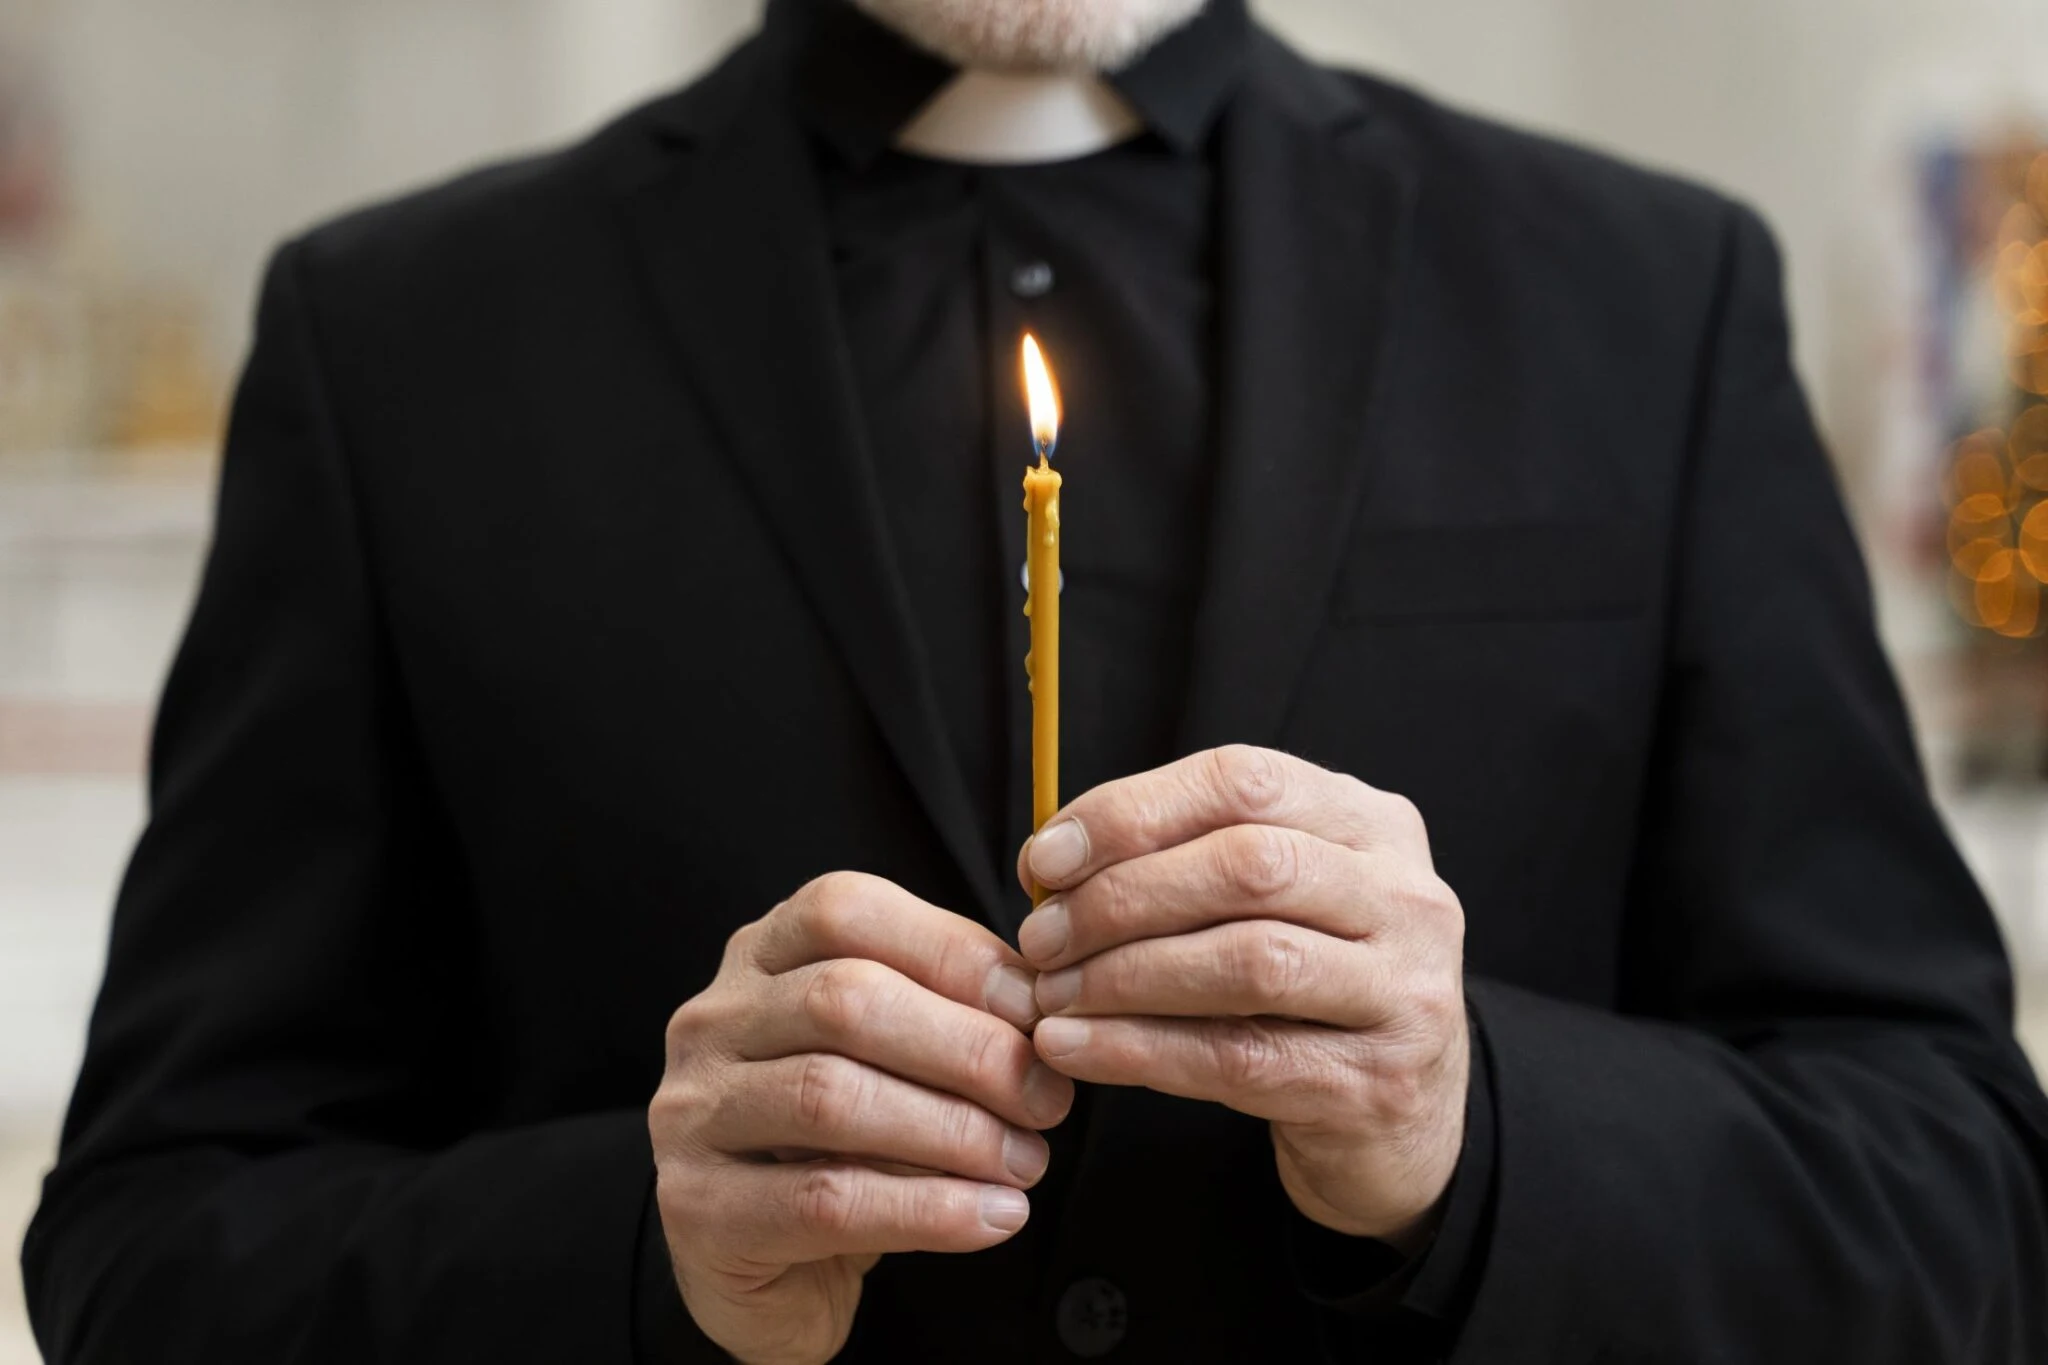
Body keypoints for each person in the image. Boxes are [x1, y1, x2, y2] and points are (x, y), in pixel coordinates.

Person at [23, 0, 2048, 1360]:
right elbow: (148, 1253)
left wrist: (1482, 1124)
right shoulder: (398, 340)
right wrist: (658, 1261)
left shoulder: (1641, 294)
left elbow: (1966, 1206)